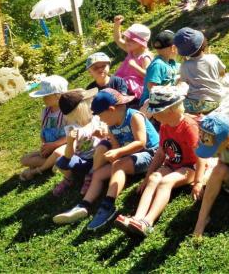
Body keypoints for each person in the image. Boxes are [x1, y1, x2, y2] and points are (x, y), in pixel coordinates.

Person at [53, 89, 159, 231]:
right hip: (129, 159)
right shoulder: (111, 124)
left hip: (150, 154)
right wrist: (114, 154)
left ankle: (108, 205)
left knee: (119, 164)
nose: (100, 120)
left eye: (100, 116)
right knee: (98, 174)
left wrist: (118, 153)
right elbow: (116, 147)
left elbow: (141, 143)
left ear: (111, 109)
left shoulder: (134, 116)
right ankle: (84, 205)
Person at [114, 87, 206, 237]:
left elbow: (201, 155)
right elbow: (161, 152)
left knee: (165, 182)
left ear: (169, 111)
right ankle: (137, 218)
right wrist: (146, 177)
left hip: (190, 166)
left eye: (156, 113)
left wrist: (198, 182)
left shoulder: (188, 127)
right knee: (154, 179)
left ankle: (147, 222)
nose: (154, 117)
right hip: (173, 163)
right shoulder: (165, 126)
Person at [52, 88, 105, 196]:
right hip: (84, 160)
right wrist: (70, 142)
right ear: (81, 108)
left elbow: (107, 132)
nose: (92, 101)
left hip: (100, 156)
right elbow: (68, 156)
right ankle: (69, 179)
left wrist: (103, 132)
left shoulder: (96, 118)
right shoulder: (73, 129)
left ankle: (90, 177)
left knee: (102, 150)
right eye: (89, 101)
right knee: (61, 161)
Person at [19, 75, 69, 181]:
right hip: (49, 148)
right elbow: (43, 131)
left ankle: (43, 167)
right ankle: (55, 164)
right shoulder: (45, 112)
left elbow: (72, 135)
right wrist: (44, 145)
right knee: (24, 159)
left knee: (58, 154)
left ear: (58, 95)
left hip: (65, 146)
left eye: (46, 96)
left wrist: (53, 145)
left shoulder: (67, 112)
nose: (43, 98)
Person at [174, 27, 226, 115]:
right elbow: (222, 73)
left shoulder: (185, 66)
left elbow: (186, 82)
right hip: (216, 100)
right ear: (203, 43)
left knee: (174, 105)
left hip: (196, 104)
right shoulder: (213, 58)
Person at [112, 16, 152, 108]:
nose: (127, 42)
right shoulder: (131, 50)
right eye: (126, 39)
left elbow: (148, 75)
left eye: (131, 41)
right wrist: (117, 25)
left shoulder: (145, 57)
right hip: (123, 83)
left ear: (141, 43)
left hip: (135, 88)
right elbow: (118, 40)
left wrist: (135, 66)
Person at [139, 29, 180, 112]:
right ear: (173, 48)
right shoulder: (158, 65)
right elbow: (152, 87)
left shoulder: (171, 62)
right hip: (152, 105)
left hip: (165, 99)